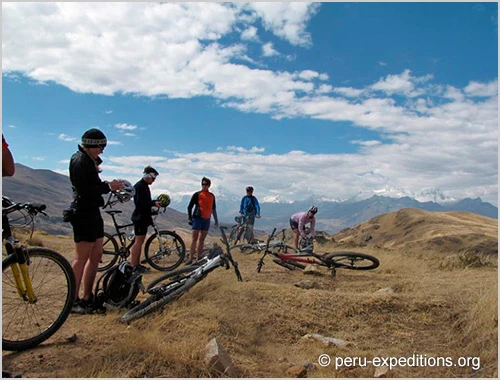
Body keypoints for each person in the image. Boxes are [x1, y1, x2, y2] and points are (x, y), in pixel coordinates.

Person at [68, 128, 124, 314]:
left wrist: (108, 186)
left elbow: (93, 186)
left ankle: (87, 297)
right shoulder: (79, 161)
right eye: (101, 146)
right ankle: (72, 300)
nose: (103, 150)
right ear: (92, 145)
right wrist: (108, 186)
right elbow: (85, 189)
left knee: (96, 255)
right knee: (81, 258)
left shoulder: (88, 161)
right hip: (83, 212)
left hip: (92, 212)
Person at [130, 166, 160, 272]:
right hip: (140, 217)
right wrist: (152, 203)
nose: (154, 181)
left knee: (139, 241)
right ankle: (133, 265)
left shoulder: (144, 186)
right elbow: (140, 203)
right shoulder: (139, 186)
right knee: (138, 242)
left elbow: (145, 201)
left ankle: (136, 264)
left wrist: (153, 202)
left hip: (143, 217)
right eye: (153, 178)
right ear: (147, 176)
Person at [186, 177, 218, 264]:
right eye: (203, 184)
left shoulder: (212, 196)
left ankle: (198, 258)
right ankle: (190, 258)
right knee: (194, 239)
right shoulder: (197, 194)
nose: (204, 186)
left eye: (206, 184)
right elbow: (190, 206)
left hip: (207, 219)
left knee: (201, 239)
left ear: (209, 185)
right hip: (197, 218)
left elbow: (213, 208)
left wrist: (216, 220)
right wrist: (190, 217)